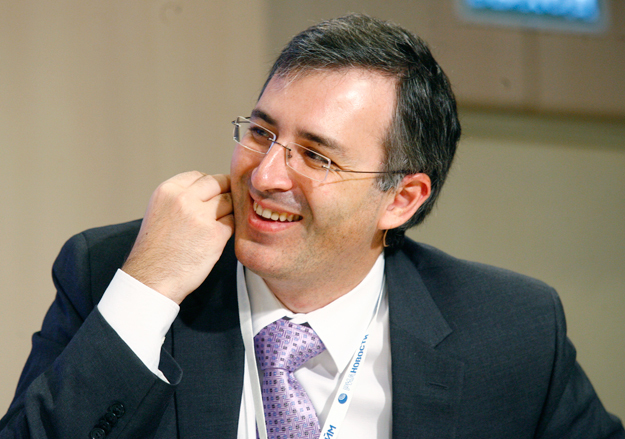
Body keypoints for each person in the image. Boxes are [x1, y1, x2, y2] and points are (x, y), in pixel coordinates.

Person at [1, 13, 623, 439]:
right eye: (262, 132)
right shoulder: (114, 272)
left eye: (317, 156)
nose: (266, 175)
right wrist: (146, 291)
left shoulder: (512, 330)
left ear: (401, 199)